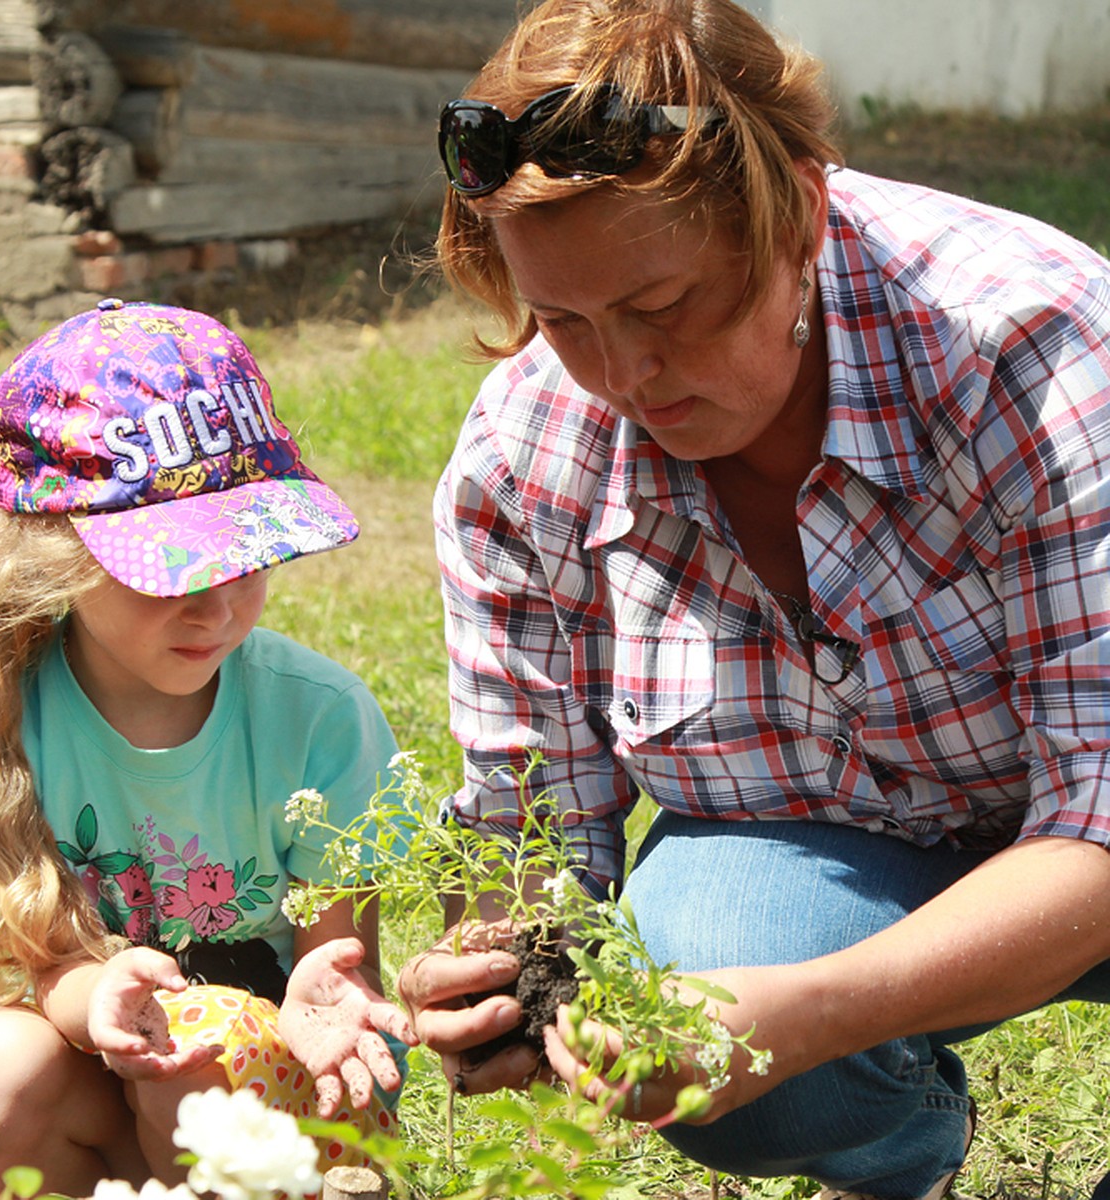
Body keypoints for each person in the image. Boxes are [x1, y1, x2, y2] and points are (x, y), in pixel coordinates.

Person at [394, 1, 1110, 1196]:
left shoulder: (1031, 353)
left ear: (802, 217)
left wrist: (813, 1006)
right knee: (705, 958)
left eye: (668, 309)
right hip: (856, 856)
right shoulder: (526, 459)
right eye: (564, 322)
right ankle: (897, 1157)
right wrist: (505, 973)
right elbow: (531, 836)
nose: (624, 376)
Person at [0, 299, 415, 1200]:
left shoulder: (318, 720)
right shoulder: (2, 716)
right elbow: (51, 958)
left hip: (278, 1103)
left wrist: (324, 989)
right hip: (104, 1086)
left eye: (245, 559)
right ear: (54, 549)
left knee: (203, 1040)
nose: (216, 608)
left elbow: (336, 962)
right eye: (170, 568)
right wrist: (92, 998)